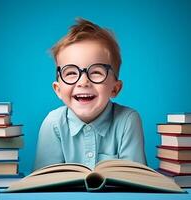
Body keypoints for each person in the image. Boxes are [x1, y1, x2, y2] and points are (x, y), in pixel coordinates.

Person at [34, 18, 146, 170]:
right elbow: (44, 181)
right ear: (58, 90)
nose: (83, 82)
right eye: (72, 73)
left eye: (96, 72)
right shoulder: (53, 124)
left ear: (115, 89)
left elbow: (135, 178)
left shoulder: (127, 121)